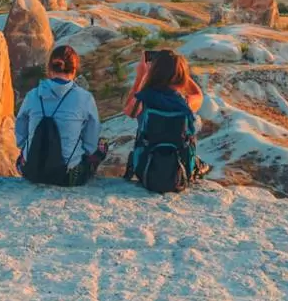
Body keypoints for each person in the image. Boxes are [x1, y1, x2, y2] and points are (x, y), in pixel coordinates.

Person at [15, 45, 105, 186]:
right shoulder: (84, 98)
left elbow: (20, 133)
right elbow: (90, 145)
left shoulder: (32, 95)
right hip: (66, 177)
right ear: (74, 70)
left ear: (49, 69)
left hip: (32, 171)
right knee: (101, 146)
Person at [124, 49, 210, 192]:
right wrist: (178, 70)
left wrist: (141, 76)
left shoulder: (144, 100)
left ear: (154, 72)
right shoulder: (185, 102)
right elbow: (198, 94)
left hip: (146, 170)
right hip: (179, 172)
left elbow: (128, 109)